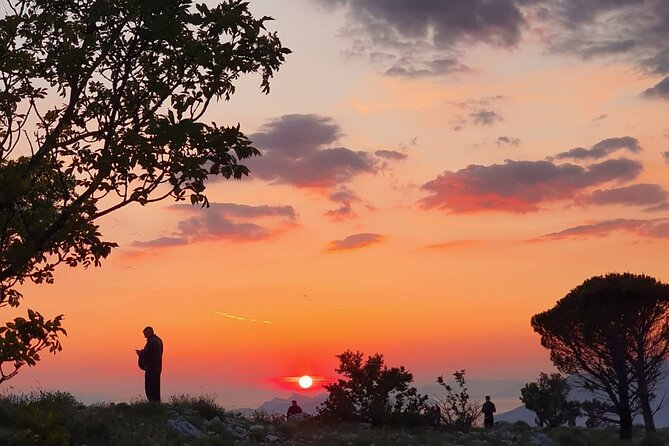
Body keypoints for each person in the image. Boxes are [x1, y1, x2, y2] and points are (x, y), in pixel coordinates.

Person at [136, 326, 163, 403]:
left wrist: (140, 353)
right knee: (156, 387)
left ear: (149, 332)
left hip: (151, 368)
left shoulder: (151, 342)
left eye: (145, 333)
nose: (144, 336)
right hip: (157, 367)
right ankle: (156, 403)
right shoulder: (159, 340)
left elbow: (146, 353)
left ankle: (152, 403)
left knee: (150, 387)